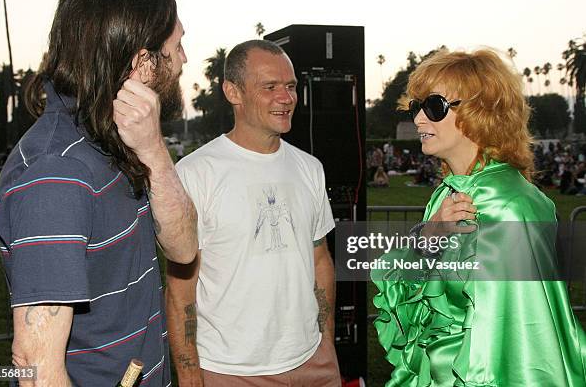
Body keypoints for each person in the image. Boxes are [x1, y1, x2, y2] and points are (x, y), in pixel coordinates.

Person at [0, 0, 198, 385]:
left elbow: (184, 247)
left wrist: (154, 149)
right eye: (177, 47)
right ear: (143, 63)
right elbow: (36, 368)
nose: (184, 59)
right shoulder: (56, 176)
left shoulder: (117, 140)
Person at [371, 49, 586, 386]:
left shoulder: (509, 206)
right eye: (416, 107)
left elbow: (524, 349)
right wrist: (428, 238)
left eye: (434, 106)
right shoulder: (449, 193)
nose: (418, 120)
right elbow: (411, 299)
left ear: (480, 112)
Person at [166, 39, 341, 386]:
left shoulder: (310, 168)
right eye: (270, 87)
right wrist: (189, 376)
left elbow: (320, 259)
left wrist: (327, 343)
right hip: (231, 371)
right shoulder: (195, 173)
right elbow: (180, 287)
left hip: (313, 361)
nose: (286, 97)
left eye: (290, 86)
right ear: (233, 91)